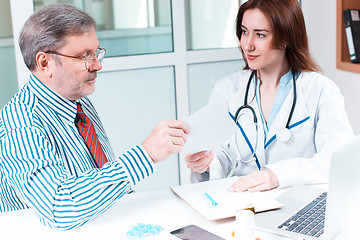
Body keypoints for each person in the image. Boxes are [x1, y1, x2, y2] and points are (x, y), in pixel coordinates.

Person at [0, 4, 189, 230]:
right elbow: (59, 208)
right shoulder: (20, 124)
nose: (97, 65)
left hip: (99, 223)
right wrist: (146, 154)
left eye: (96, 53)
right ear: (44, 63)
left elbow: (99, 175)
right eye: (84, 56)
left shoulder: (78, 101)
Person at [185, 0, 354, 192]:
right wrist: (207, 162)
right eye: (244, 32)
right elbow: (223, 154)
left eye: (260, 35)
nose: (248, 45)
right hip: (243, 203)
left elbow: (339, 159)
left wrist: (277, 175)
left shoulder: (320, 90)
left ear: (286, 38)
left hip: (299, 201)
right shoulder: (227, 89)